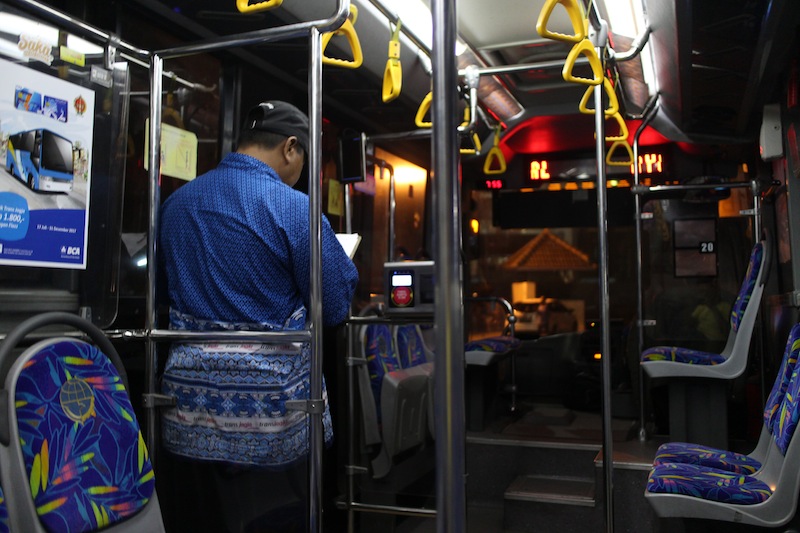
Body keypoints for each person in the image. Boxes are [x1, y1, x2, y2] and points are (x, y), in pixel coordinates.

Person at [158, 100, 359, 532]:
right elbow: (336, 306)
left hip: (187, 412)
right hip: (272, 418)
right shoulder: (294, 209)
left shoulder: (176, 205)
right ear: (290, 148)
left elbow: (163, 292)